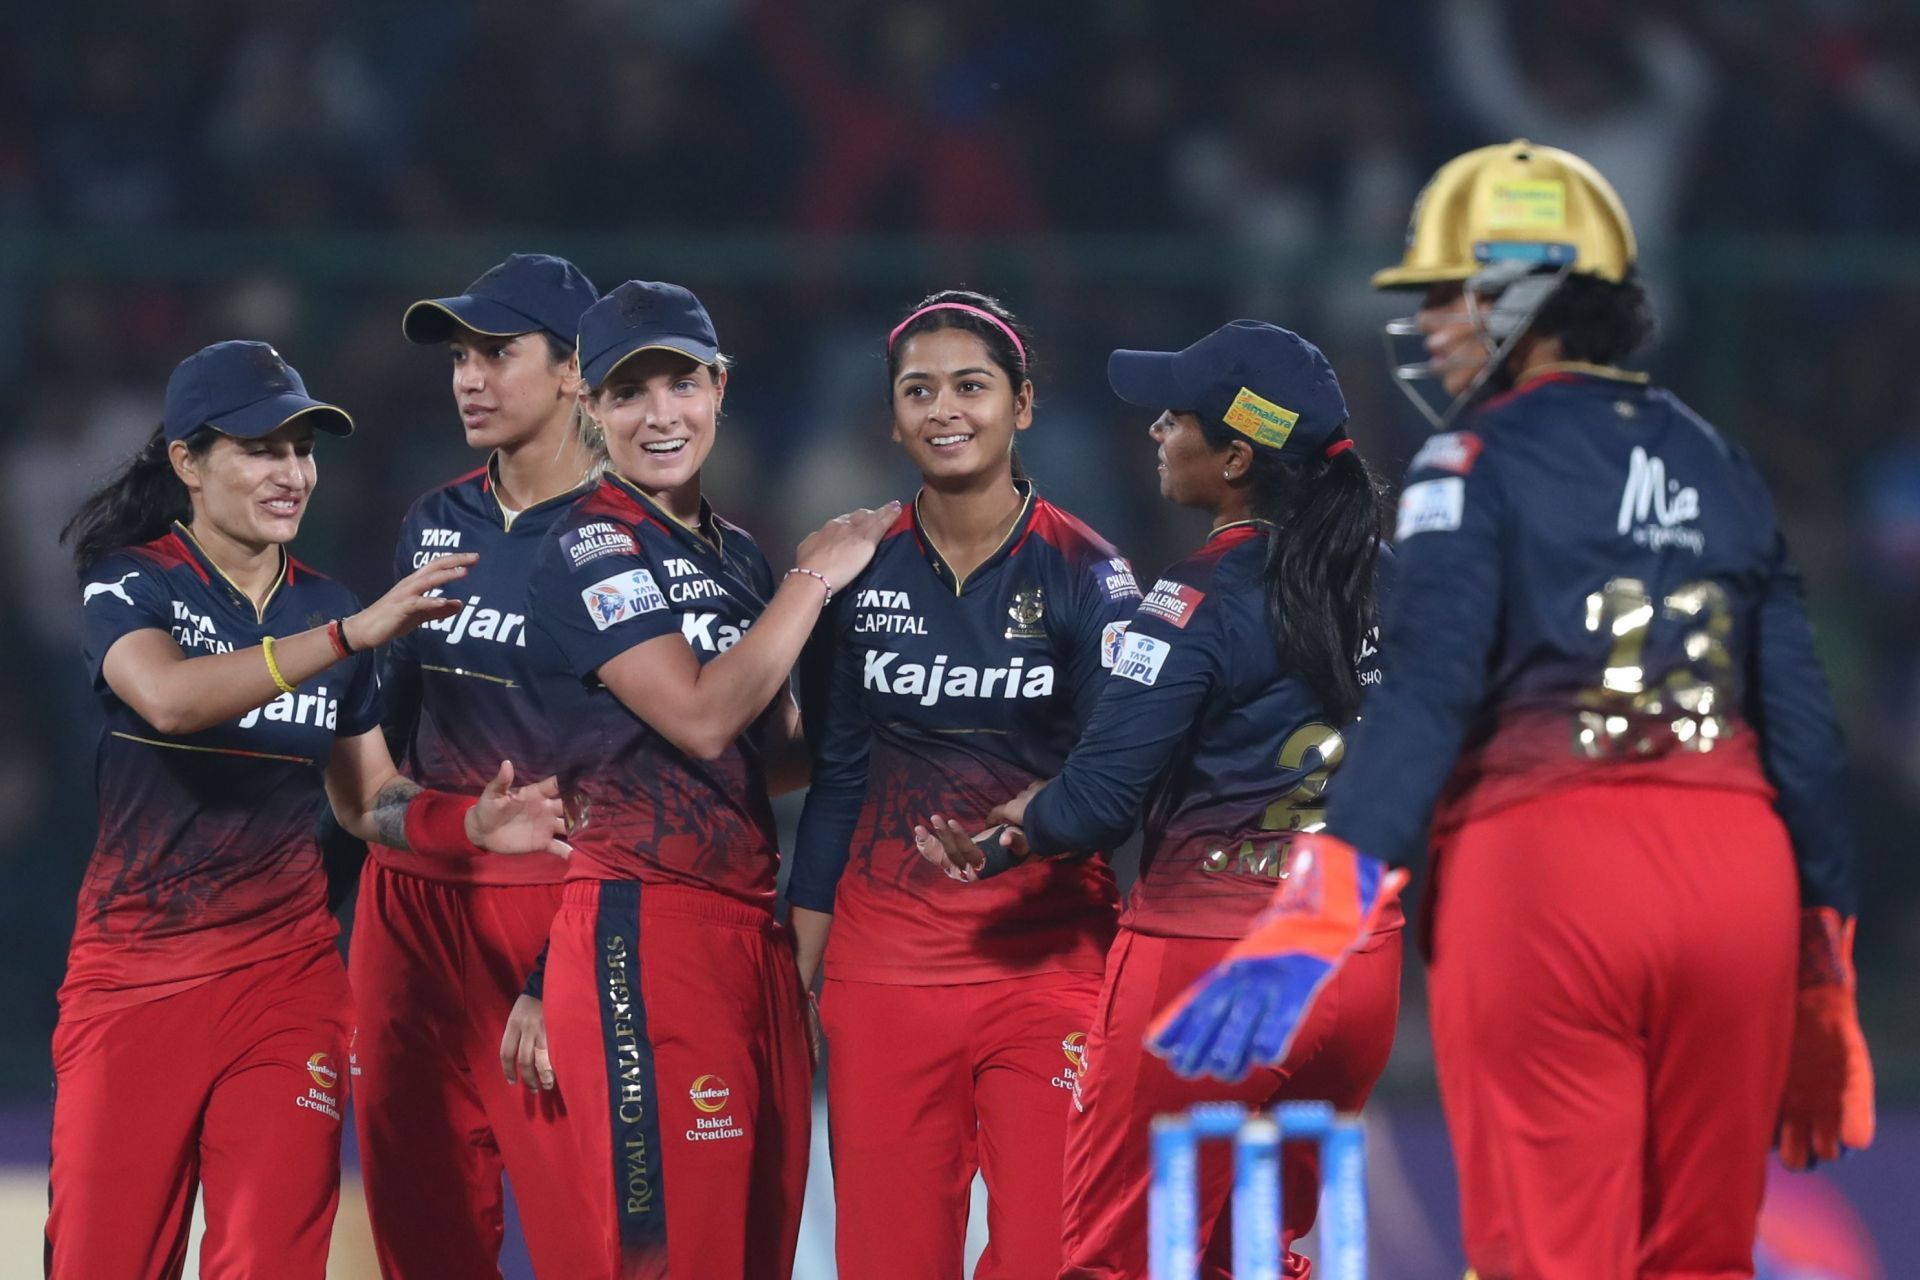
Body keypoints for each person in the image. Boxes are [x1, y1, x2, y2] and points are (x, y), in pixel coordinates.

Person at [1151, 141, 1876, 1279]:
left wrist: (1316, 909)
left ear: (1529, 286)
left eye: (1451, 291)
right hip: (1739, 877)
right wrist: (1825, 968)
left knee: (1548, 1259)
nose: (1431, 323)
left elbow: (1428, 693)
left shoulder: (1468, 461)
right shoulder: (1724, 463)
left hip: (1550, 876)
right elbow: (1806, 738)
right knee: (1702, 1261)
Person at [47, 340, 570, 1280]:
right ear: (187, 463)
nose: (292, 474)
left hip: (286, 989)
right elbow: (166, 698)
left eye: (303, 450)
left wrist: (469, 824)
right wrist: (344, 638)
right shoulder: (135, 581)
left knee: (270, 1260)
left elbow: (370, 800)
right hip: (134, 986)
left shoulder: (325, 606)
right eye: (260, 450)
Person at [924, 320, 1402, 1279]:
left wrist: (1026, 825)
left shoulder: (1194, 599)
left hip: (1209, 965)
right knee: (1255, 1256)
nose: (1155, 431)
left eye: (1174, 417)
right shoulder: (1392, 586)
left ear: (1234, 459)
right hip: (1353, 961)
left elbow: (1097, 805)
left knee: (1114, 1259)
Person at [524, 280, 896, 1279]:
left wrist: (902, 719)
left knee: (754, 1252)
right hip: (643, 929)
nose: (660, 414)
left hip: (749, 932)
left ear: (719, 387)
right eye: (630, 390)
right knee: (676, 1257)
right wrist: (815, 580)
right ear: (589, 408)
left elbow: (762, 755)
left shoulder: (734, 555)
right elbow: (698, 712)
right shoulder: (584, 541)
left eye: (681, 383)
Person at [788, 290, 1135, 1279]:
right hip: (883, 980)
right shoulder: (856, 570)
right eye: (920, 389)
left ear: (1022, 405)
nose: (946, 408)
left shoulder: (1092, 577)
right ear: (893, 417)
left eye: (972, 385)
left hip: (1049, 975)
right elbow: (839, 782)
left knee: (1054, 1256)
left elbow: (1116, 782)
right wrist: (797, 972)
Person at [349, 253, 605, 1279]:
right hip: (412, 909)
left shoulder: (632, 537)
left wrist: (567, 958)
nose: (469, 376)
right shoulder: (433, 522)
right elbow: (374, 752)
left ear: (577, 370)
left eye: (499, 353)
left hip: (558, 910)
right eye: (461, 356)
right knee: (426, 1244)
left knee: (591, 1238)